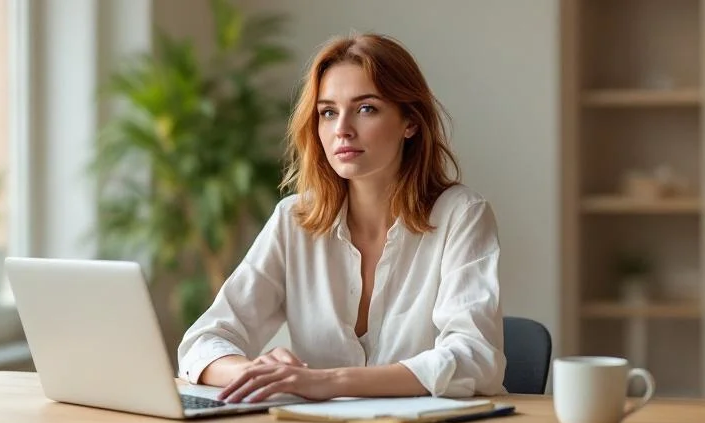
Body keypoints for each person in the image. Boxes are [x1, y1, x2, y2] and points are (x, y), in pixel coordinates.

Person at [177, 33, 505, 403]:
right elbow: (202, 342)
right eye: (328, 112)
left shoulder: (461, 215)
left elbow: (475, 360)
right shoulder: (294, 219)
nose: (342, 129)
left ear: (409, 122)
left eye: (366, 109)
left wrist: (328, 382)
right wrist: (259, 374)